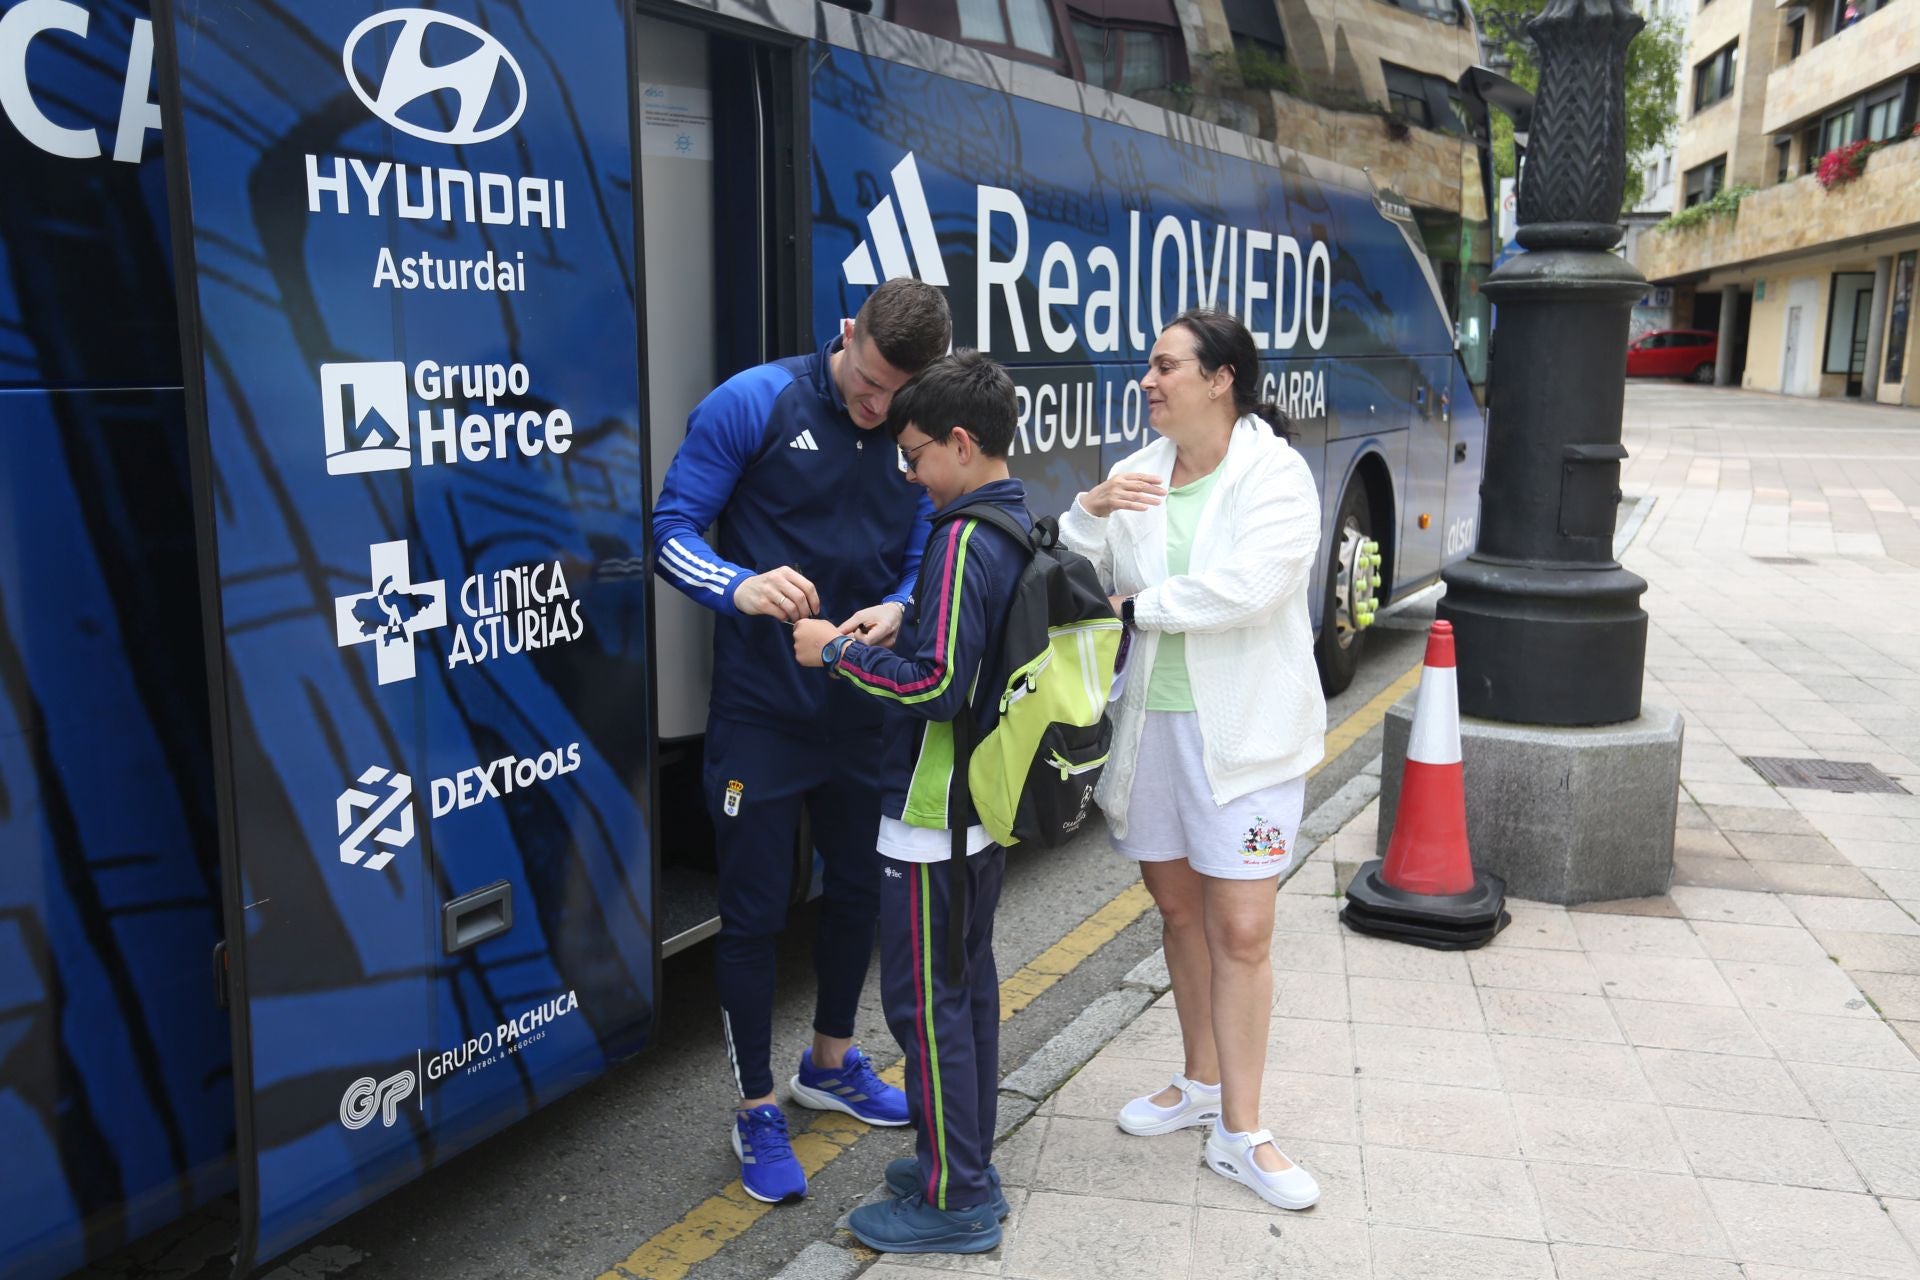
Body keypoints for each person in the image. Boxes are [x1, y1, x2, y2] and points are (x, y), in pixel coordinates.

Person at [651, 278, 951, 1204]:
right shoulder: (754, 401)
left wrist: (904, 606)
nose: (875, 405)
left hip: (864, 712)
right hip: (762, 716)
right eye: (866, 381)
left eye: (895, 396)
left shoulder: (919, 427)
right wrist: (736, 586)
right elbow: (668, 531)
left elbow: (924, 543)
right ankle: (752, 1109)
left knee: (857, 892)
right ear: (846, 331)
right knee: (751, 917)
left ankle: (830, 1063)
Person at [1057, 308, 1327, 1211]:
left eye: (1166, 365)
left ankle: (1243, 1133)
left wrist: (1141, 607)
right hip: (1153, 730)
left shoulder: (1275, 475)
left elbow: (1254, 586)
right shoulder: (1136, 474)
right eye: (1148, 365)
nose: (1148, 379)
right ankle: (1201, 1083)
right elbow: (1074, 565)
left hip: (1246, 738)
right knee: (1178, 914)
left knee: (1242, 930)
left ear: (1221, 380)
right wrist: (1087, 510)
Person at [791, 350, 1029, 1254]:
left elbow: (935, 687)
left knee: (925, 1008)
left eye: (917, 453)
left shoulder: (960, 539)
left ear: (962, 444)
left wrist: (835, 652)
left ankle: (955, 1199)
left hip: (933, 812)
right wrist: (905, 613)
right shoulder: (1008, 519)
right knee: (965, 994)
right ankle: (958, 1156)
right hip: (980, 807)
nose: (911, 472)